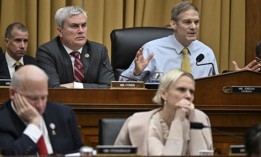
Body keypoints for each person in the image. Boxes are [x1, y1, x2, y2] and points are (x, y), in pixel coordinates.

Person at [120, 1, 260, 82]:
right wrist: (136, 73)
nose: (193, 27)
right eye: (187, 22)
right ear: (173, 24)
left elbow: (214, 89)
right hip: (159, 110)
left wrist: (237, 79)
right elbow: (121, 84)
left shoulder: (206, 53)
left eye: (196, 22)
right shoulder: (152, 50)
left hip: (197, 112)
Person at [115, 69, 213, 156]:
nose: (188, 96)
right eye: (181, 89)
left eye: (191, 92)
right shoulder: (144, 123)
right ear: (164, 94)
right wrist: (178, 121)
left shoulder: (200, 118)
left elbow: (202, 154)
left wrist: (193, 120)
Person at [0, 65, 83, 155]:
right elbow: (12, 154)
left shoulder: (64, 114)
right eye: (33, 98)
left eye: (43, 97)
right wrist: (34, 124)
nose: (40, 105)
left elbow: (79, 152)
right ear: (13, 93)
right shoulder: (3, 120)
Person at [36, 6, 115, 88]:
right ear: (60, 31)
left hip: (94, 101)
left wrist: (75, 86)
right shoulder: (47, 52)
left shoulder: (99, 51)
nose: (81, 31)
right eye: (74, 26)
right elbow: (53, 90)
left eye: (83, 25)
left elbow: (108, 87)